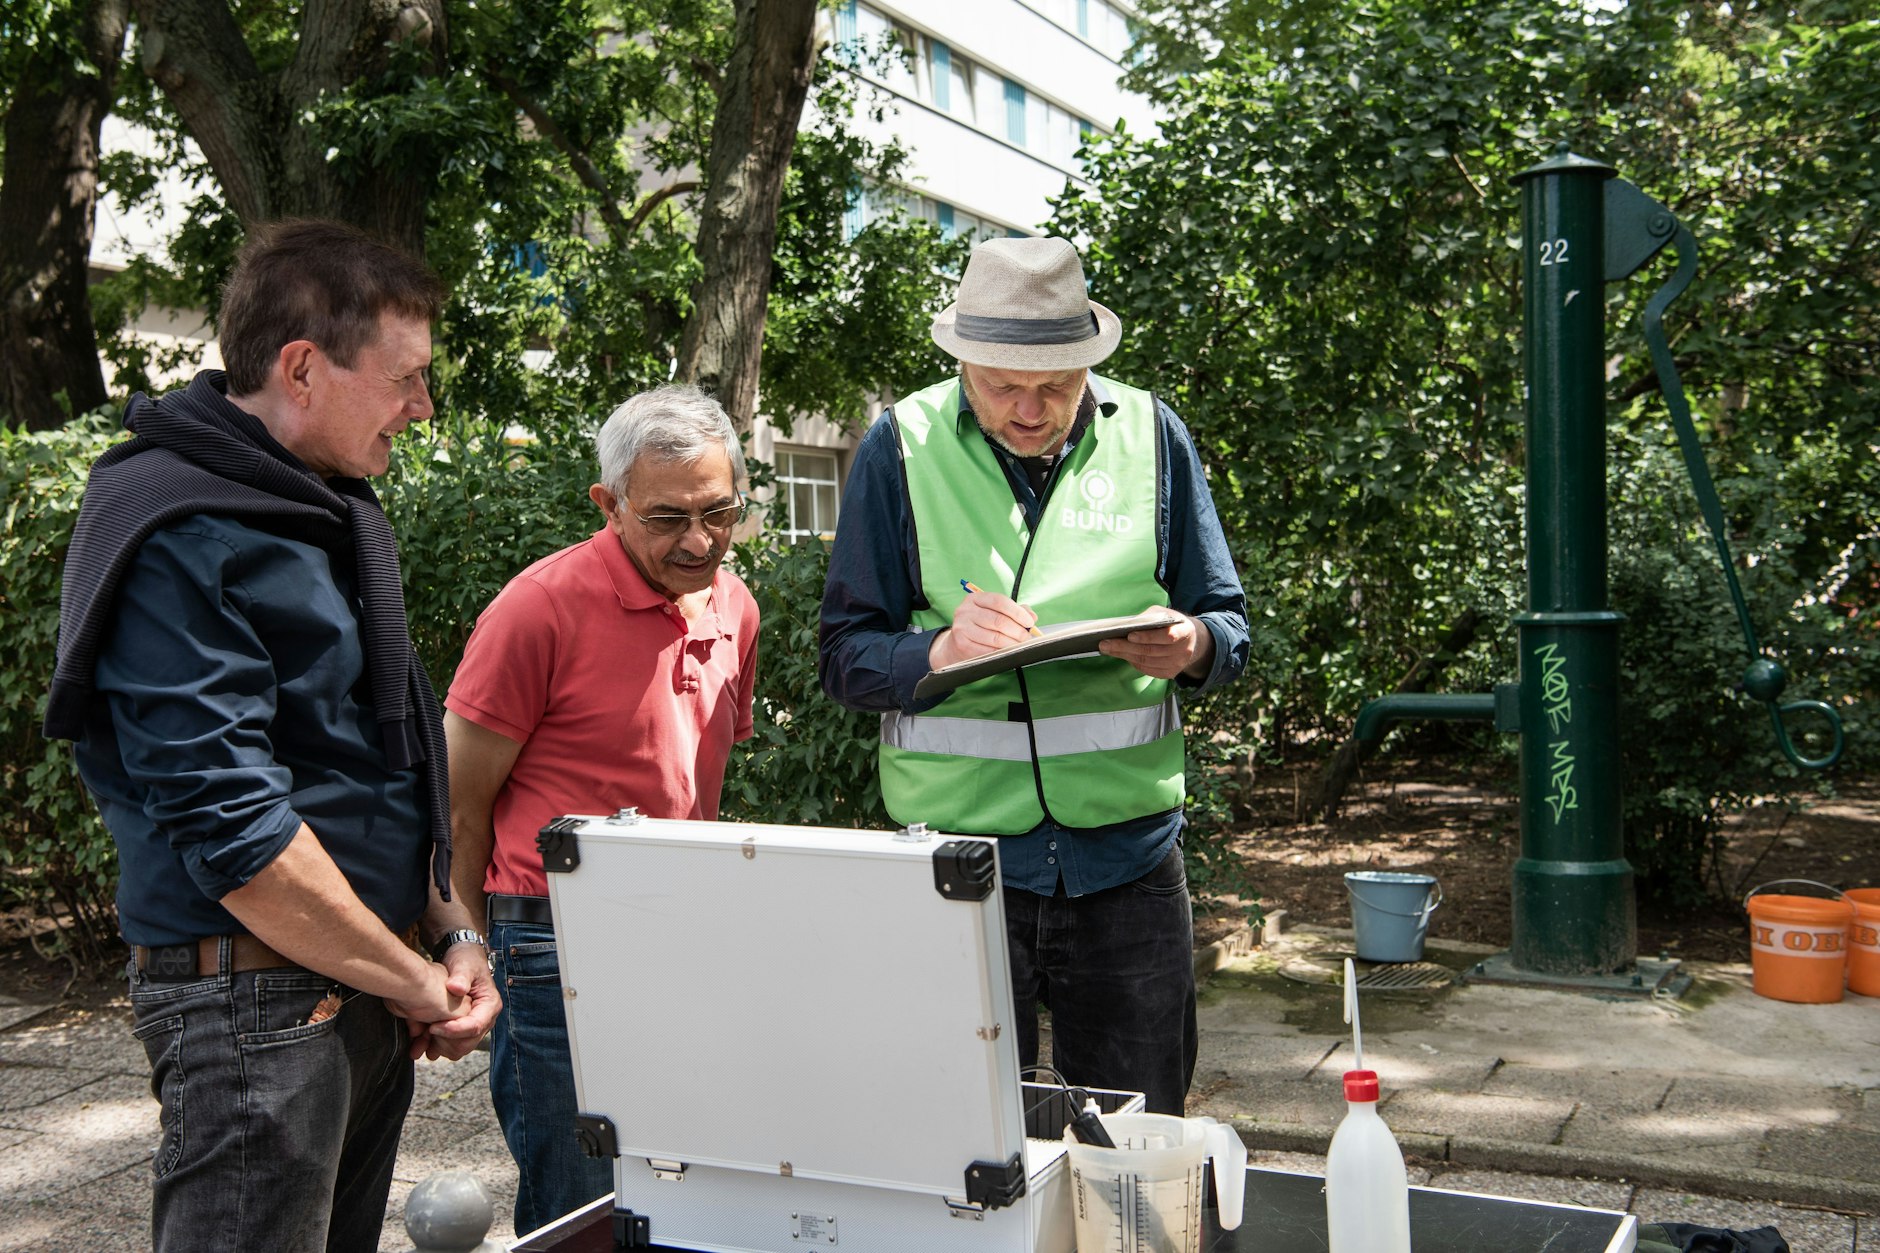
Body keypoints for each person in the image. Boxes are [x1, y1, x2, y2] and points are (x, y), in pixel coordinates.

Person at [44, 219, 501, 1253]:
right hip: (253, 1007)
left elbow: (381, 757)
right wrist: (414, 976)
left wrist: (452, 929)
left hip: (355, 986)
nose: (422, 407)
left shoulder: (312, 505)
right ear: (302, 366)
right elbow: (237, 832)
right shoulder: (183, 526)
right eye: (407, 378)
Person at [818, 236, 1250, 1115]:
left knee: (1137, 1144)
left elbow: (1228, 625)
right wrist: (936, 650)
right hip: (957, 868)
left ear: (1089, 361)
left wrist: (1193, 644)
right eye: (1002, 385)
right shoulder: (900, 444)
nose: (1028, 409)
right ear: (964, 362)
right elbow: (843, 657)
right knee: (968, 1145)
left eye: (1053, 387)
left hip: (1128, 860)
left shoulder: (1154, 435)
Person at [444, 383, 760, 1233]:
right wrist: (463, 948)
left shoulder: (736, 605)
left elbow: (702, 786)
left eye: (719, 511)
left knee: (687, 1193)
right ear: (609, 503)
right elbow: (458, 811)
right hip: (554, 941)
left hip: (682, 929)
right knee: (580, 1208)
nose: (699, 541)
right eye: (667, 518)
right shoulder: (538, 608)